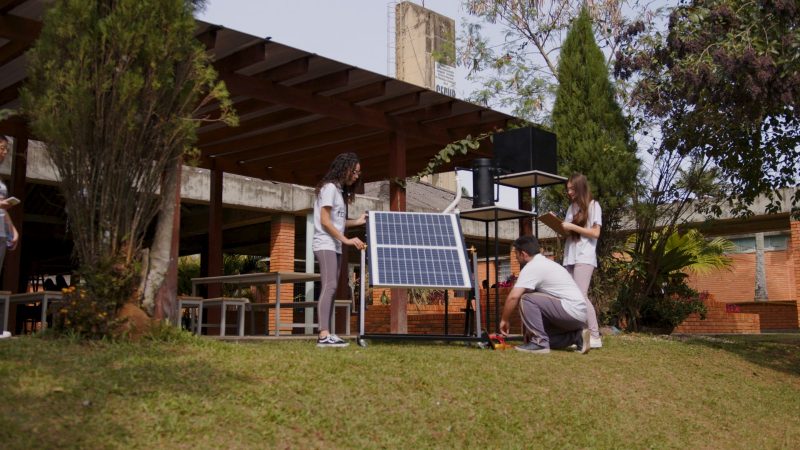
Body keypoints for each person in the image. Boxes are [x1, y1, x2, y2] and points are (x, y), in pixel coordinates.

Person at [499, 235, 590, 354]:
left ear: (523, 254)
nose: (515, 257)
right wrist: (530, 330)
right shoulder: (547, 263)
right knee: (546, 338)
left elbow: (513, 297)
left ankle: (539, 343)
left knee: (526, 299)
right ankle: (577, 337)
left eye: (516, 254)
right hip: (578, 316)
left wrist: (504, 320)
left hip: (569, 310)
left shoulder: (532, 267)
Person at [313, 152, 366, 348]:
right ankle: (323, 335)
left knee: (332, 287)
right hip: (326, 243)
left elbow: (338, 221)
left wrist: (357, 221)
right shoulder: (329, 189)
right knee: (330, 285)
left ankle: (327, 333)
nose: (357, 175)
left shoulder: (338, 191)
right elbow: (325, 222)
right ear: (344, 168)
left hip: (334, 244)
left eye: (359, 172)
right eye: (355, 171)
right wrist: (346, 240)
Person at [561, 173, 603, 349]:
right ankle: (578, 337)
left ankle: (594, 335)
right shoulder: (572, 208)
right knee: (570, 297)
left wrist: (571, 226)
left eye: (572, 188)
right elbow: (568, 231)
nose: (569, 192)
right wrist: (561, 227)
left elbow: (595, 233)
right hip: (570, 255)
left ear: (580, 187)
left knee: (581, 295)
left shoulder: (594, 206)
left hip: (584, 256)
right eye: (568, 189)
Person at [0, 136, 19, 339]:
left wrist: (13, 230)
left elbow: (3, 209)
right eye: (2, 148)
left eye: (6, 149)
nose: (4, 152)